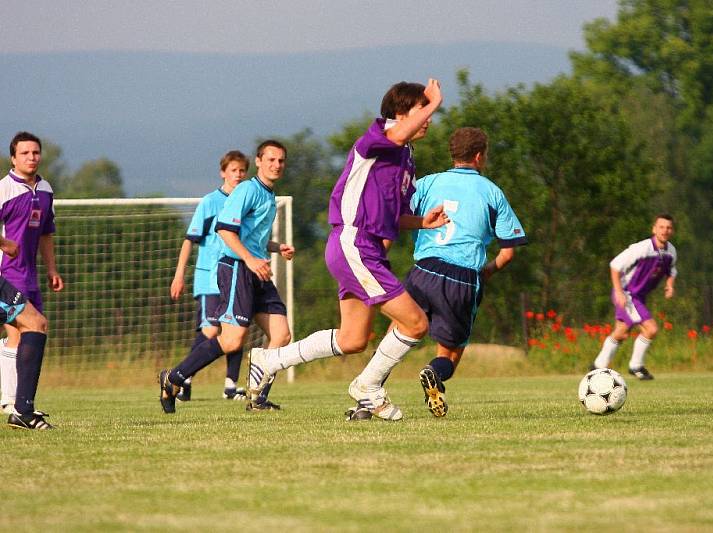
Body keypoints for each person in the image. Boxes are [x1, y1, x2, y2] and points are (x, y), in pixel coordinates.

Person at [249, 79, 448, 422]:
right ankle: (368, 387)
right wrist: (434, 103)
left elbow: (393, 215)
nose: (428, 118)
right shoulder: (378, 137)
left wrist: (422, 223)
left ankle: (270, 360)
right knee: (415, 324)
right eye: (420, 111)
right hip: (354, 243)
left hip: (360, 248)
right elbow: (398, 134)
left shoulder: (406, 158)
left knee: (353, 338)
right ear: (399, 114)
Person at [158, 140, 294, 413]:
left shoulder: (268, 195)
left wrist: (277, 248)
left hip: (258, 270)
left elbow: (251, 237)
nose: (276, 165)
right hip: (236, 269)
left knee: (281, 335)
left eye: (281, 161)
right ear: (258, 161)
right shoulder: (247, 190)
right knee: (232, 340)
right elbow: (224, 230)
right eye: (271, 160)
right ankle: (173, 377)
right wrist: (250, 259)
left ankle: (257, 397)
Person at [402, 127, 528, 417]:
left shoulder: (427, 183)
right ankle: (434, 373)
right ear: (480, 156)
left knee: (398, 331)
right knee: (451, 350)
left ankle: (372, 386)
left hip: (423, 269)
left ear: (453, 153)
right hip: (462, 276)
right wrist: (486, 273)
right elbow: (508, 252)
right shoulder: (492, 192)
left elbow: (397, 216)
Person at [169, 150, 249, 402]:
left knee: (236, 327)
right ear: (223, 172)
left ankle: (230, 386)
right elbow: (189, 240)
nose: (238, 175)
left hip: (235, 275)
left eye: (242, 171)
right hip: (209, 278)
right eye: (233, 170)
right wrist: (179, 274)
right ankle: (183, 378)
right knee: (211, 330)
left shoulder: (244, 203)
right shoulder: (210, 202)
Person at [0, 131, 63, 416]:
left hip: (31, 275)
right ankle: (12, 402)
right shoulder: (4, 190)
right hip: (6, 273)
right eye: (24, 153)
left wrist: (51, 269)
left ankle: (15, 402)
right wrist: (5, 244)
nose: (31, 157)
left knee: (29, 332)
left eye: (35, 152)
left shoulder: (46, 189)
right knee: (20, 332)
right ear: (13, 158)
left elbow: (47, 233)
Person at [590, 214, 677, 380]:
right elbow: (615, 266)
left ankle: (597, 366)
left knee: (621, 332)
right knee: (651, 329)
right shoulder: (641, 248)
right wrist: (619, 292)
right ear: (654, 229)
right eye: (661, 227)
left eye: (668, 227)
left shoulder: (671, 252)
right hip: (628, 293)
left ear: (672, 230)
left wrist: (670, 285)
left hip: (639, 296)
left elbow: (672, 270)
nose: (665, 230)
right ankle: (636, 366)